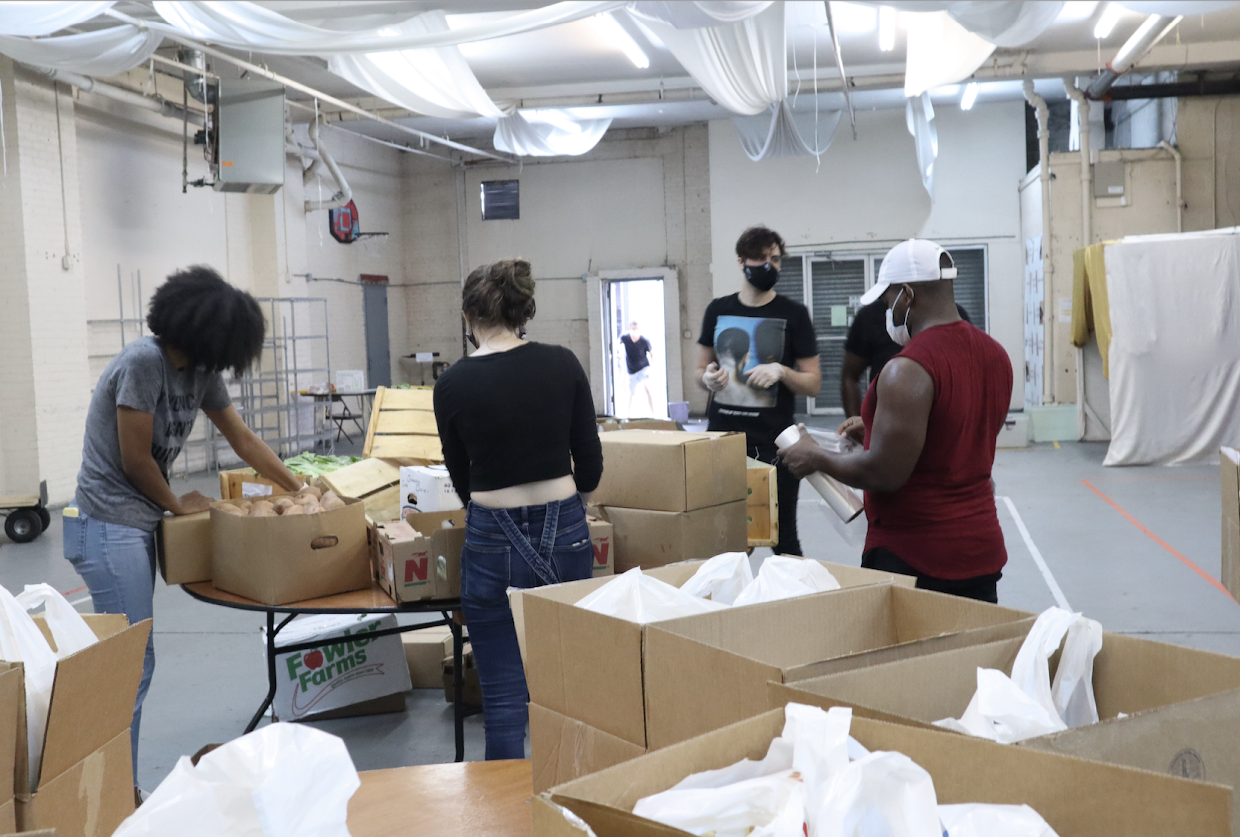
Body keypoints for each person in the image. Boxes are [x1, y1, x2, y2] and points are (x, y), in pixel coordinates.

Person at [66, 266, 303, 793]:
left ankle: (114, 791)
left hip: (136, 521)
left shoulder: (200, 370)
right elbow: (134, 461)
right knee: (128, 665)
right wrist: (178, 503)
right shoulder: (143, 363)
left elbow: (241, 437)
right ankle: (112, 796)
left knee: (129, 662)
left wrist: (298, 486)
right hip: (107, 524)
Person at [433, 258, 603, 760]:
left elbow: (461, 479)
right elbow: (589, 464)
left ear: (468, 317)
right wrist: (572, 506)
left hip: (490, 536)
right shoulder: (562, 363)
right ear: (522, 312)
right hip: (566, 525)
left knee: (504, 703)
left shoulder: (451, 385)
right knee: (567, 694)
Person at [780, 239, 1014, 602]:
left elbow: (884, 473)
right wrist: (877, 430)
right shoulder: (996, 355)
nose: (887, 309)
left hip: (914, 557)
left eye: (888, 300)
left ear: (906, 294)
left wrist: (815, 456)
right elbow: (957, 439)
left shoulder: (906, 369)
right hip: (980, 553)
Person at [696, 226, 820, 557]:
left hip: (777, 445)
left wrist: (782, 371)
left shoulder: (794, 315)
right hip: (724, 443)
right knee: (729, 544)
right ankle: (730, 609)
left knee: (784, 539)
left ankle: (793, 606)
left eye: (776, 259)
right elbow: (700, 369)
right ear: (741, 262)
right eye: (761, 258)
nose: (769, 265)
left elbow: (813, 381)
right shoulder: (718, 310)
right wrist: (706, 379)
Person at [841, 297, 973, 418]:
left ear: (907, 292)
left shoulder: (955, 318)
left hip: (942, 422)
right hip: (886, 424)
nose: (889, 303)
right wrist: (856, 424)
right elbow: (850, 375)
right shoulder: (869, 317)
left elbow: (970, 376)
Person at [620, 321, 655, 416]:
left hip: (643, 368)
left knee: (648, 389)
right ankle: (628, 415)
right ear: (629, 328)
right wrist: (618, 354)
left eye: (636, 329)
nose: (635, 330)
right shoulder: (625, 338)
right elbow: (618, 345)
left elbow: (652, 354)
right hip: (632, 370)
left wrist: (651, 367)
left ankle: (653, 413)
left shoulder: (644, 341)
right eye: (633, 328)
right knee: (631, 394)